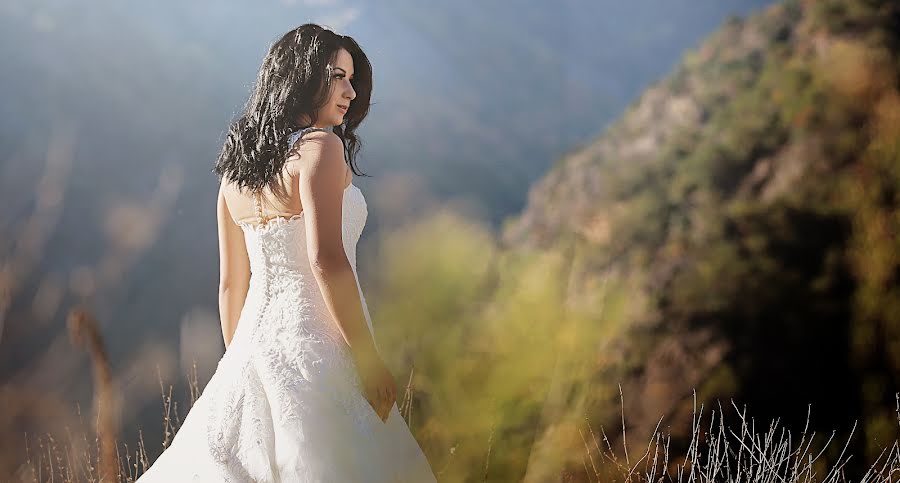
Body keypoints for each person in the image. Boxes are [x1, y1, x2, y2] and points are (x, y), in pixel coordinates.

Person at [137, 23, 437, 482]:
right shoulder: (322, 148)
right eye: (338, 76)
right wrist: (367, 358)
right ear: (302, 77)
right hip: (321, 349)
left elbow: (231, 285)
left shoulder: (234, 174)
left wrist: (240, 364)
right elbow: (326, 259)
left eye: (352, 80)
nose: (351, 92)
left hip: (249, 350)